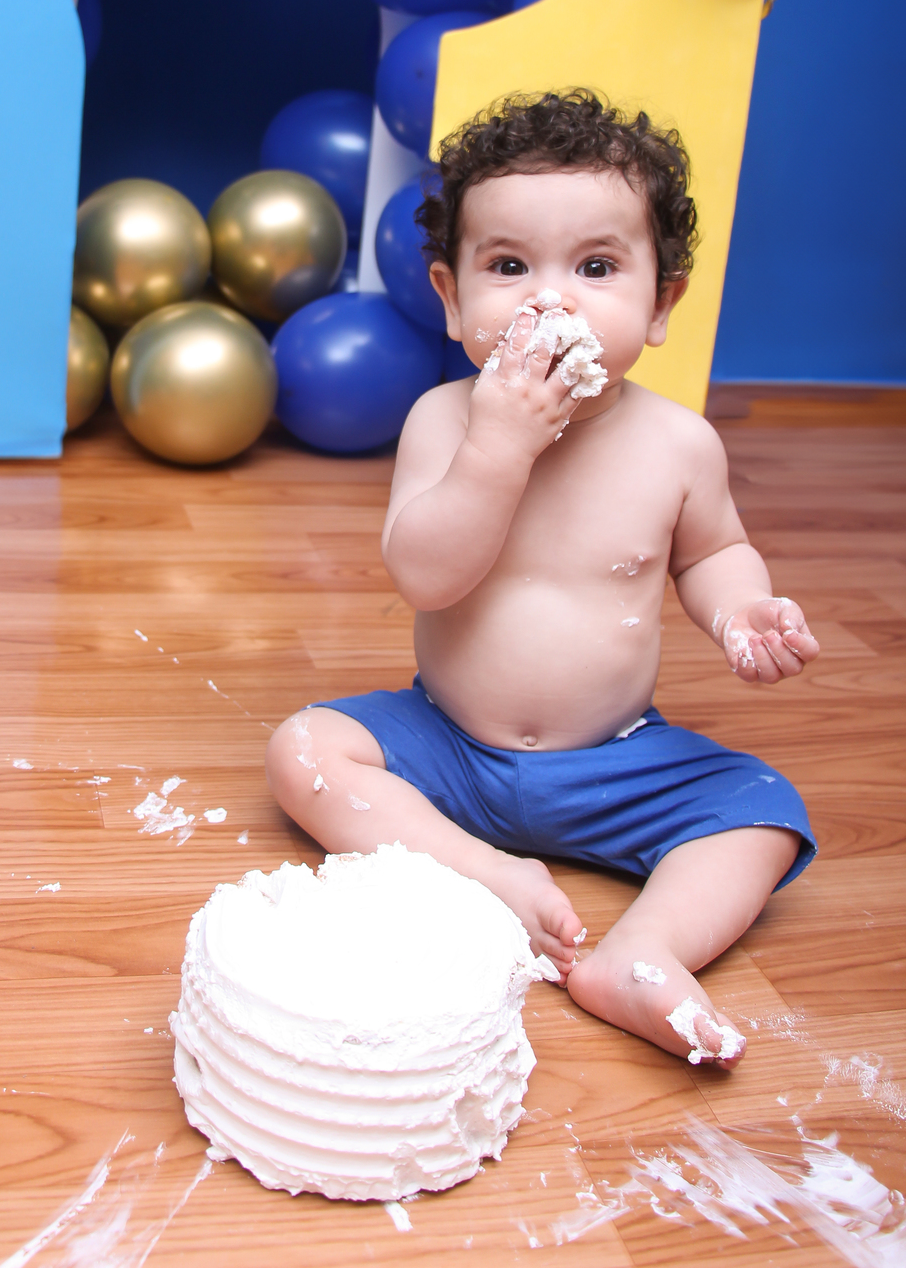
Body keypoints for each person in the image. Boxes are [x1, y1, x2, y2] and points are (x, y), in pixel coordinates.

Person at [266, 90, 819, 1066]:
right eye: (509, 266)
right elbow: (425, 577)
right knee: (305, 750)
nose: (550, 301)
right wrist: (498, 448)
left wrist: (743, 611)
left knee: (765, 812)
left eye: (596, 267)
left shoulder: (679, 444)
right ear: (451, 298)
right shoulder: (443, 421)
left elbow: (712, 553)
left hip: (613, 761)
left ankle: (643, 953)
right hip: (447, 746)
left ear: (661, 304)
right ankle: (482, 873)